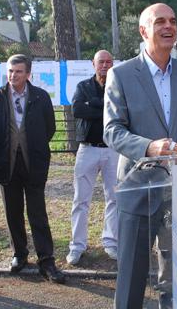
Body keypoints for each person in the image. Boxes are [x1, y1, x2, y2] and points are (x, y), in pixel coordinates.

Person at [103, 3, 177, 309]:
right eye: (160, 21)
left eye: (172, 21)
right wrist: (149, 147)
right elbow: (112, 130)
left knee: (175, 277)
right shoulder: (121, 74)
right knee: (131, 277)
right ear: (144, 30)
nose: (169, 26)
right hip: (137, 187)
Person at [0, 54, 65, 284]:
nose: (13, 75)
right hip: (6, 164)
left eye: (18, 71)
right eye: (10, 71)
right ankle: (19, 254)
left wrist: (31, 144)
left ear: (28, 73)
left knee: (37, 213)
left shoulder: (40, 97)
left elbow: (49, 128)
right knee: (13, 212)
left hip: (33, 164)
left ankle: (46, 260)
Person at [66, 50, 119, 265]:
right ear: (93, 64)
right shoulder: (83, 87)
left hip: (113, 149)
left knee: (114, 198)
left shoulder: (118, 86)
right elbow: (78, 110)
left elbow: (120, 112)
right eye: (101, 62)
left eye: (108, 62)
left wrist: (93, 104)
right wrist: (104, 106)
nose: (105, 65)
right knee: (81, 199)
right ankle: (77, 246)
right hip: (87, 149)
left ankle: (111, 242)